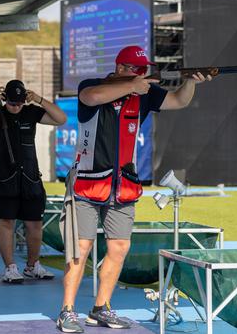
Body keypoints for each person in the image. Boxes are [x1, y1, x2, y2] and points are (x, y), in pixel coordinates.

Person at [57, 45, 212, 333]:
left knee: (119, 248)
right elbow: (91, 97)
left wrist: (191, 80)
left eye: (144, 70)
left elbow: (178, 100)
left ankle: (100, 308)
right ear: (120, 69)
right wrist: (134, 86)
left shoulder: (143, 94)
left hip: (123, 185)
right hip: (89, 183)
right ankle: (67, 310)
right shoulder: (92, 85)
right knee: (80, 249)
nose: (142, 74)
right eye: (136, 69)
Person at [0, 80, 67, 283]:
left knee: (34, 223)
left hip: (30, 177)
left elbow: (61, 119)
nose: (15, 107)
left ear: (24, 100)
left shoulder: (33, 112)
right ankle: (10, 268)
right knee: (6, 222)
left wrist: (40, 100)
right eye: (11, 103)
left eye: (19, 103)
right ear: (4, 99)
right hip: (4, 177)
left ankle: (32, 265)